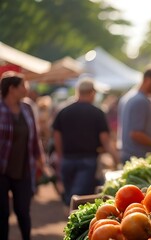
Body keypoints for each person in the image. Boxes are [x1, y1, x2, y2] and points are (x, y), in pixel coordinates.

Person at [52, 78, 119, 206]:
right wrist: (115, 158)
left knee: (71, 195)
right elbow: (105, 140)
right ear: (92, 93)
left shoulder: (64, 111)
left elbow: (56, 136)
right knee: (78, 198)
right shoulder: (97, 113)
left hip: (67, 159)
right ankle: (73, 222)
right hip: (88, 160)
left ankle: (70, 219)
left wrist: (60, 156)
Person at [0, 71, 45, 240]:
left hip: (23, 169)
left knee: (23, 211)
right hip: (2, 170)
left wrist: (40, 159)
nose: (27, 89)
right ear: (12, 89)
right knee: (2, 213)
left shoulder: (27, 108)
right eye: (23, 85)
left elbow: (34, 136)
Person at [117, 68, 151, 164]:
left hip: (128, 155)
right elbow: (135, 134)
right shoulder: (140, 101)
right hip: (138, 157)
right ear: (147, 80)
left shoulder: (128, 97)